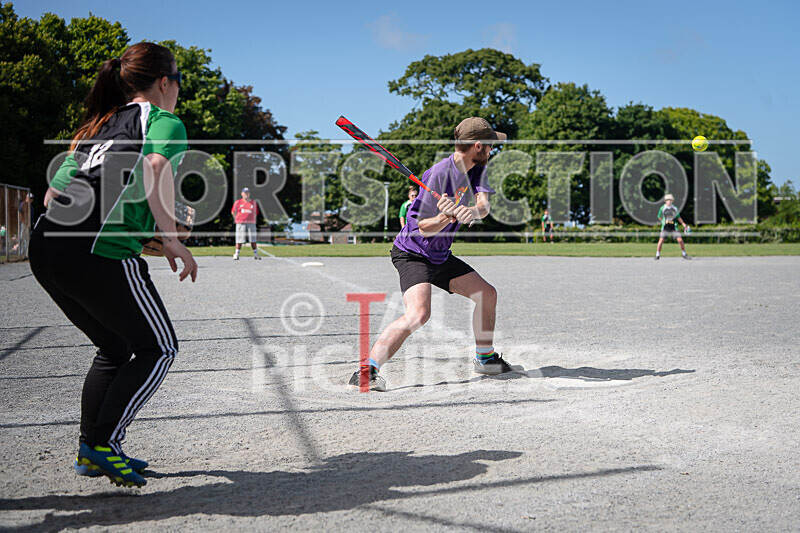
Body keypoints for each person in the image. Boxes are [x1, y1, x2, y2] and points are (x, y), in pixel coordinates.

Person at [29, 42, 197, 488]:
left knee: (115, 347)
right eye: (178, 83)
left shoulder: (99, 125)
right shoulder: (164, 122)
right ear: (165, 82)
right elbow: (155, 169)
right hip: (93, 248)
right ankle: (104, 442)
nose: (178, 91)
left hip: (46, 245)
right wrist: (172, 237)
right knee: (159, 348)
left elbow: (52, 197)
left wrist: (136, 228)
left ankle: (91, 450)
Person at [349, 117, 514, 392]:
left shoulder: (477, 168)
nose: (492, 149)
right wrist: (445, 217)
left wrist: (469, 212)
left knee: (487, 294)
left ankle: (485, 359)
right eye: (490, 145)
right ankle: (366, 372)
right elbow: (422, 228)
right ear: (477, 145)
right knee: (418, 314)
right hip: (413, 253)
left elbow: (483, 206)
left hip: (440, 255)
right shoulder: (439, 175)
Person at [655, 193, 691, 260]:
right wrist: (662, 221)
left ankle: (684, 254)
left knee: (680, 240)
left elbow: (678, 217)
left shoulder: (675, 208)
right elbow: (659, 216)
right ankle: (657, 255)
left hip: (674, 226)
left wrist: (684, 225)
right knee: (661, 240)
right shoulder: (662, 208)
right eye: (668, 200)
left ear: (672, 201)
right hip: (665, 227)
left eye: (670, 200)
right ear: (665, 201)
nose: (669, 201)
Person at [231, 187, 260, 260]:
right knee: (239, 239)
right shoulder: (238, 202)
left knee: (253, 239)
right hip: (241, 223)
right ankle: (236, 254)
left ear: (249, 194)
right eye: (244, 193)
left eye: (247, 193)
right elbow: (233, 211)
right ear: (242, 194)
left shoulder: (253, 202)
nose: (246, 194)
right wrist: (237, 218)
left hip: (251, 223)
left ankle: (256, 254)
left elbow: (255, 213)